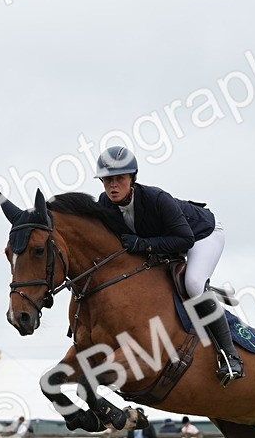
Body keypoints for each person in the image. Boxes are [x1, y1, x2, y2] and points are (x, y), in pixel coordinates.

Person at [94, 146, 243, 385]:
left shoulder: (156, 198)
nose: (113, 186)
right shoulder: (105, 204)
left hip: (202, 234)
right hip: (168, 242)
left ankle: (230, 356)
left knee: (193, 284)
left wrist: (143, 244)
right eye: (107, 180)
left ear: (132, 178)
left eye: (119, 179)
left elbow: (185, 239)